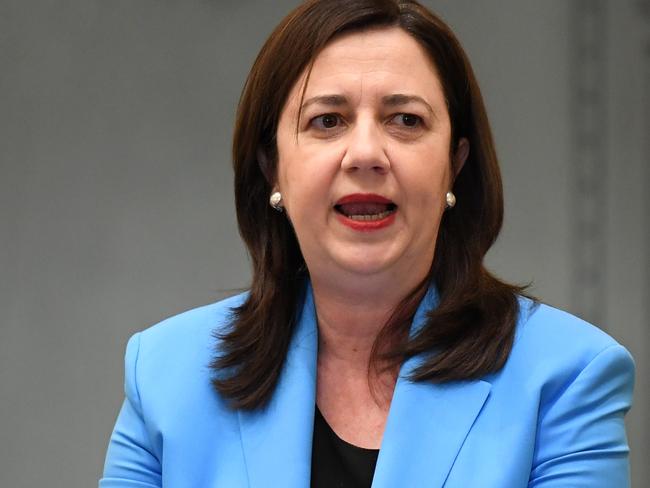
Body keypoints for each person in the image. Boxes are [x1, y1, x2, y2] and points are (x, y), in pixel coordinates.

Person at [99, 1, 635, 487]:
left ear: (456, 163)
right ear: (272, 168)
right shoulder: (167, 374)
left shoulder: (566, 378)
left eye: (405, 120)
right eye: (326, 121)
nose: (364, 154)